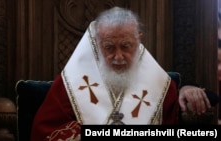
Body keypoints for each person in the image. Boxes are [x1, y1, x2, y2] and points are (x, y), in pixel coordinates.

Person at [31, 7, 217, 141]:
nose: (118, 56)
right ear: (96, 43)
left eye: (126, 46)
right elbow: (45, 131)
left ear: (139, 40)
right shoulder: (71, 84)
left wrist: (185, 90)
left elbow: (174, 121)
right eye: (109, 47)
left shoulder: (161, 85)